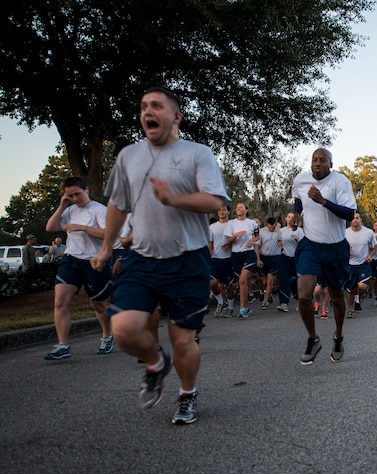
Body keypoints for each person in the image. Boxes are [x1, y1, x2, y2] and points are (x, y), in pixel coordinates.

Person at [90, 87, 229, 424]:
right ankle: (156, 363)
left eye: (156, 106)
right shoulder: (128, 156)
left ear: (176, 116)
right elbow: (117, 205)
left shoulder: (198, 153)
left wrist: (173, 199)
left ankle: (187, 394)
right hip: (142, 258)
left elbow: (215, 202)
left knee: (182, 341)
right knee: (122, 328)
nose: (147, 112)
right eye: (143, 107)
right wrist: (107, 246)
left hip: (187, 259)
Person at [292, 148, 356, 364]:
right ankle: (313, 338)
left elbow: (349, 214)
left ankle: (338, 335)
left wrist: (323, 201)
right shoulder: (300, 181)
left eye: (322, 161)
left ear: (330, 164)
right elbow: (298, 201)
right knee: (303, 294)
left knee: (337, 297)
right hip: (310, 245)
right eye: (314, 160)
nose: (317, 164)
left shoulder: (340, 182)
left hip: (335, 248)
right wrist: (296, 215)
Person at [44, 177, 114, 360]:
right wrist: (61, 206)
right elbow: (50, 228)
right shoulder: (69, 211)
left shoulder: (99, 210)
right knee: (60, 301)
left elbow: (109, 234)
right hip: (71, 259)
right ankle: (63, 345)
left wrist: (81, 228)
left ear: (87, 189)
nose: (75, 198)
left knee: (99, 305)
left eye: (78, 194)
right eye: (70, 195)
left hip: (95, 262)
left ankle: (107, 335)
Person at [225, 202, 259, 318]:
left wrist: (252, 241)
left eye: (241, 207)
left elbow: (257, 235)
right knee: (240, 282)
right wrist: (236, 235)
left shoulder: (252, 223)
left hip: (248, 254)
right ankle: (246, 306)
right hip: (236, 255)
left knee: (242, 280)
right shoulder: (231, 223)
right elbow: (229, 240)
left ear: (246, 210)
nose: (238, 209)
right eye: (237, 207)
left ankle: (242, 308)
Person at [344, 212, 377, 318]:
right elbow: (338, 248)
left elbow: (375, 246)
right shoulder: (344, 233)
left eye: (357, 218)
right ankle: (350, 309)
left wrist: (370, 255)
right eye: (353, 218)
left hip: (363, 263)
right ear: (350, 220)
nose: (355, 220)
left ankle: (363, 292)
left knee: (361, 286)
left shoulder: (368, 232)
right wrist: (346, 253)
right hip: (349, 264)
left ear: (360, 220)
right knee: (350, 289)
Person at [209, 205, 236, 317]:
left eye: (224, 210)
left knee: (229, 287)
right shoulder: (212, 227)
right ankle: (221, 302)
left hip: (229, 259)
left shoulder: (233, 225)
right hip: (215, 259)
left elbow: (239, 239)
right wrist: (209, 254)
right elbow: (210, 243)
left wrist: (229, 244)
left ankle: (230, 307)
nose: (221, 212)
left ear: (228, 212)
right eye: (219, 210)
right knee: (213, 284)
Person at [276, 212, 303, 312]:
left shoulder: (299, 231)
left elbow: (303, 245)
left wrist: (296, 240)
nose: (291, 219)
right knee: (284, 280)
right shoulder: (282, 231)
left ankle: (300, 300)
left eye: (293, 217)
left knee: (297, 281)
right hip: (284, 257)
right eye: (289, 217)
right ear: (286, 219)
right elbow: (278, 243)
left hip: (296, 258)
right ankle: (283, 303)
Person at [259, 217, 282, 309]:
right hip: (264, 257)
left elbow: (281, 241)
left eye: (273, 227)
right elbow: (258, 244)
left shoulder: (279, 231)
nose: (271, 229)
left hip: (275, 257)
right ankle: (268, 294)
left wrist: (278, 229)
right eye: (270, 227)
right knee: (264, 281)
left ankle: (265, 301)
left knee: (270, 280)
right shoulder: (262, 231)